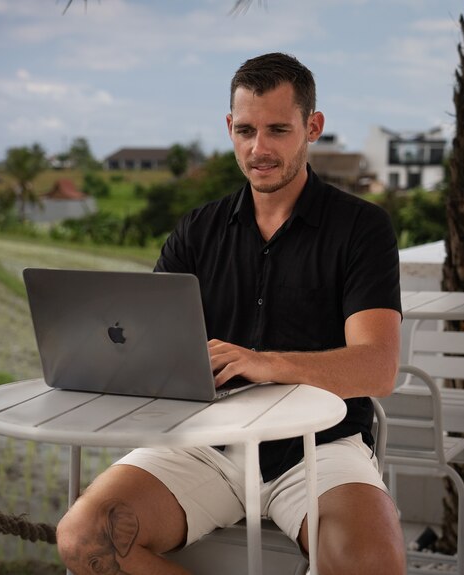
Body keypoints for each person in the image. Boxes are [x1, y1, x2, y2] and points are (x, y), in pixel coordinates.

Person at [56, 52, 405, 575]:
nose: (258, 149)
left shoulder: (362, 229)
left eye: (278, 130)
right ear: (229, 128)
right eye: (245, 130)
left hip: (319, 450)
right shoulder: (197, 230)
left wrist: (269, 363)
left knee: (372, 567)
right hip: (202, 446)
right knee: (85, 539)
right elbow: (149, 348)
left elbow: (377, 368)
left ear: (313, 127)